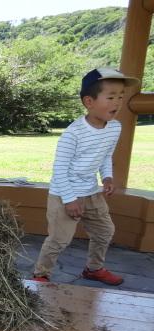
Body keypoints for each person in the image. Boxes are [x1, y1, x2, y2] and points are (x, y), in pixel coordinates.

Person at [31, 67, 140, 286]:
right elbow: (59, 170)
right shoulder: (73, 134)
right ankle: (41, 275)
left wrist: (107, 178)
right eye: (110, 97)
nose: (117, 103)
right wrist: (70, 199)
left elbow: (105, 156)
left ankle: (94, 269)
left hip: (91, 192)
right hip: (64, 194)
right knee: (59, 240)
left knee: (105, 232)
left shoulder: (114, 128)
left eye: (120, 97)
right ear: (89, 102)